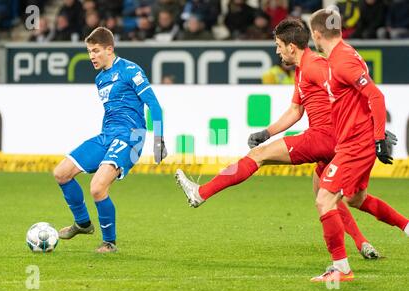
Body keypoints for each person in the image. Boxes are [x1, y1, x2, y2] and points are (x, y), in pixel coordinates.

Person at [175, 18, 388, 260]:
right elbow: (296, 111)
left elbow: (347, 94)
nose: (277, 51)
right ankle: (362, 244)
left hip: (325, 137)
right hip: (331, 141)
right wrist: (267, 132)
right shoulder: (303, 69)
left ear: (291, 47)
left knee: (259, 156)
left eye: (278, 45)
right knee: (325, 194)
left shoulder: (316, 66)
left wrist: (369, 128)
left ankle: (201, 192)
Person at [308, 8, 409, 282]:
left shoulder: (341, 61)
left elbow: (375, 95)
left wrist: (378, 137)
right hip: (354, 140)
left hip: (356, 144)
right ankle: (407, 226)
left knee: (324, 200)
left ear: (317, 34)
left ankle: (341, 269)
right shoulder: (346, 52)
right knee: (355, 199)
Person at [53, 27, 167, 253]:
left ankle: (109, 242)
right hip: (107, 135)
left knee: (97, 188)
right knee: (61, 173)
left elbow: (154, 106)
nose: (91, 56)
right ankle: (83, 224)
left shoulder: (130, 70)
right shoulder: (100, 79)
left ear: (109, 49)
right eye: (89, 52)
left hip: (131, 136)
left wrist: (158, 140)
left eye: (95, 51)